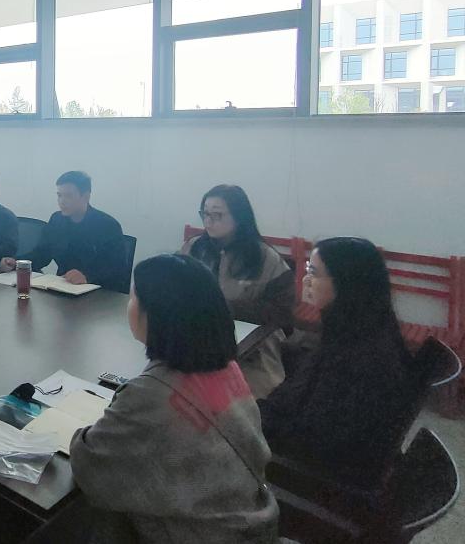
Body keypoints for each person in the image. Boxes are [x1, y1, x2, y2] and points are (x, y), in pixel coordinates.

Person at [70, 254, 278, 543]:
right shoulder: (226, 368)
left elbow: (89, 463)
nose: (129, 305)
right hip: (251, 521)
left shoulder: (151, 392)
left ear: (156, 315)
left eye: (133, 297)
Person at [258, 237, 413, 488]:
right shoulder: (363, 329)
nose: (306, 280)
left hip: (313, 477)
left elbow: (317, 435)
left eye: (314, 273)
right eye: (307, 270)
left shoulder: (361, 358)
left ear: (348, 283)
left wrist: (254, 423)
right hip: (312, 446)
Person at [181, 184, 295, 397]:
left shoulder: (265, 258)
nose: (208, 221)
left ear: (239, 217)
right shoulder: (194, 247)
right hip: (194, 337)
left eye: (217, 215)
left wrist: (225, 308)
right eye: (205, 214)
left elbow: (283, 315)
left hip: (251, 350)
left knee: (234, 397)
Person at [0, 171, 130, 292]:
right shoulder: (57, 220)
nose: (62, 201)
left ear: (85, 196)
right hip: (64, 288)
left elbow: (117, 268)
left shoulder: (107, 225)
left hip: (101, 293)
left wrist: (87, 275)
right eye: (59, 195)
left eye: (68, 196)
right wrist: (17, 263)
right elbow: (42, 253)